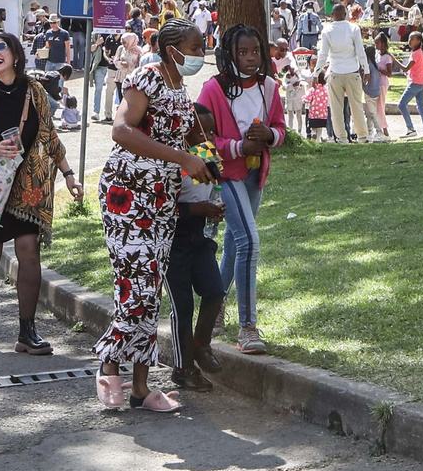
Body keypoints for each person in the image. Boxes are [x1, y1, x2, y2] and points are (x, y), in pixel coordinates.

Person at [96, 21, 215, 410]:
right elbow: (122, 130)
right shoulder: (147, 77)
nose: (201, 52)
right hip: (127, 194)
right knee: (139, 285)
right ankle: (109, 365)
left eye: (203, 45)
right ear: (170, 47)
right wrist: (182, 157)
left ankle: (140, 389)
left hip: (163, 198)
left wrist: (204, 153)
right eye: (195, 46)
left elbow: (178, 136)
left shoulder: (181, 87)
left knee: (150, 289)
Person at [0, 33, 81, 353]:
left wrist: (69, 175)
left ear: (15, 54)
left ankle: (27, 331)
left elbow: (50, 138)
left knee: (28, 250)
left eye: (1, 48)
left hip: (27, 188)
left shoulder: (34, 90)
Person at [199, 23, 284, 355]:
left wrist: (269, 138)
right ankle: (247, 327)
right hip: (227, 174)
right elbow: (202, 139)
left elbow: (280, 128)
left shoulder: (269, 87)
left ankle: (214, 306)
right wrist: (237, 147)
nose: (251, 59)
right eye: (243, 52)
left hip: (254, 175)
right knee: (249, 241)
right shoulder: (213, 89)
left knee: (235, 244)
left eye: (256, 52)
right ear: (228, 55)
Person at [165, 102, 227, 390]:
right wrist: (196, 209)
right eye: (201, 132)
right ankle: (183, 368)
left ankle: (201, 344)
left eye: (211, 132)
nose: (208, 138)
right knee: (183, 308)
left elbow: (215, 190)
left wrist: (216, 208)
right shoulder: (171, 162)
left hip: (201, 240)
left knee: (215, 291)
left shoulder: (209, 156)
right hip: (173, 245)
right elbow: (161, 209)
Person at [318, 3, 370, 143]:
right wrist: (367, 69)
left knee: (336, 108)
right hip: (352, 72)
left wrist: (316, 72)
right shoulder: (353, 28)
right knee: (356, 106)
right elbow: (360, 52)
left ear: (332, 15)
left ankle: (341, 138)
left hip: (335, 73)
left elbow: (323, 55)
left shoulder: (327, 30)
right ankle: (362, 137)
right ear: (345, 14)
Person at [395, 32, 423, 137]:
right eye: (409, 38)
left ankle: (410, 129)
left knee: (401, 104)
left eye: (412, 39)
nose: (410, 41)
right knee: (421, 107)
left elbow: (406, 68)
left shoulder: (416, 54)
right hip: (422, 82)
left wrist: (393, 59)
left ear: (419, 41)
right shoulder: (421, 52)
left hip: (415, 83)